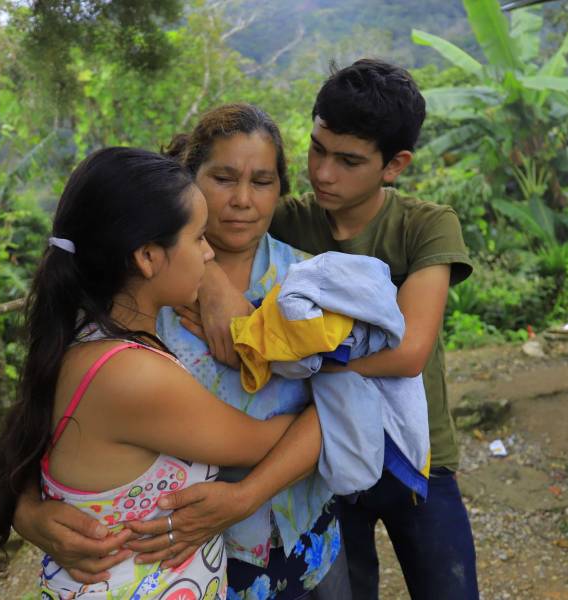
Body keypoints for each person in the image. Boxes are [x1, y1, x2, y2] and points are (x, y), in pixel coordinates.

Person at [11, 106, 353, 600]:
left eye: (262, 181)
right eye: (222, 178)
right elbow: (44, 421)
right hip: (198, 558)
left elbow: (357, 392)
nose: (241, 200)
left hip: (304, 529)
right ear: (188, 178)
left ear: (281, 189)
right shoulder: (140, 309)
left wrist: (246, 493)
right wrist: (26, 510)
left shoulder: (314, 282)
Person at [183, 60, 479, 599]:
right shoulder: (285, 216)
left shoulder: (424, 225)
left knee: (448, 586)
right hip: (326, 454)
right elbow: (192, 196)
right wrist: (208, 276)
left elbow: (408, 351)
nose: (323, 173)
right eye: (318, 149)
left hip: (413, 454)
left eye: (348, 161)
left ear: (395, 165)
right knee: (351, 584)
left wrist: (267, 351)